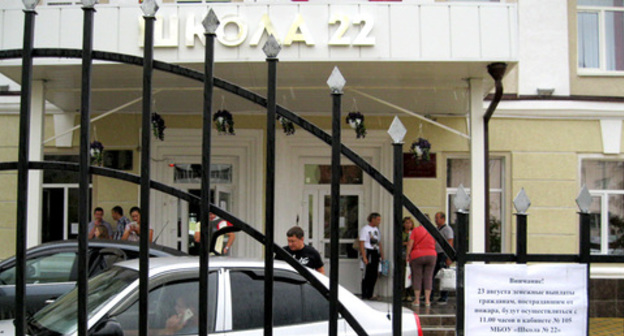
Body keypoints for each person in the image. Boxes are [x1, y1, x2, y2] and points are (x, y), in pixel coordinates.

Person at [406, 221, 437, 307]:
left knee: (417, 277)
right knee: (428, 277)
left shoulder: (415, 231)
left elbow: (410, 244)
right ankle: (427, 300)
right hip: (431, 255)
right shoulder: (433, 230)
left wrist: (407, 255)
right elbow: (435, 242)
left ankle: (417, 300)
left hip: (417, 255)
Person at [359, 212, 384, 300]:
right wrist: (364, 256)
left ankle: (370, 293)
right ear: (372, 219)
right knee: (367, 274)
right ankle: (364, 293)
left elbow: (379, 242)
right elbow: (361, 242)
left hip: (375, 252)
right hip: (368, 251)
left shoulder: (377, 230)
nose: (379, 221)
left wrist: (381, 254)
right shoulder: (365, 229)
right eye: (378, 220)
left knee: (374, 274)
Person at [432, 211, 454, 305]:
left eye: (437, 218)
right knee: (432, 274)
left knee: (444, 275)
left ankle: (444, 296)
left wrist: (449, 256)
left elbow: (450, 241)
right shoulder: (437, 229)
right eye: (435, 218)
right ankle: (431, 295)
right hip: (436, 253)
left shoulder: (447, 229)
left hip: (443, 254)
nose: (436, 220)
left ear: (443, 219)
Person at [401, 216, 415, 301]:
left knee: (411, 275)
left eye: (409, 222)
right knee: (403, 275)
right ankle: (403, 294)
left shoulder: (414, 232)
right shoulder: (402, 233)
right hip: (403, 255)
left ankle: (410, 294)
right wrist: (407, 243)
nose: (408, 224)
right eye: (406, 222)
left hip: (412, 256)